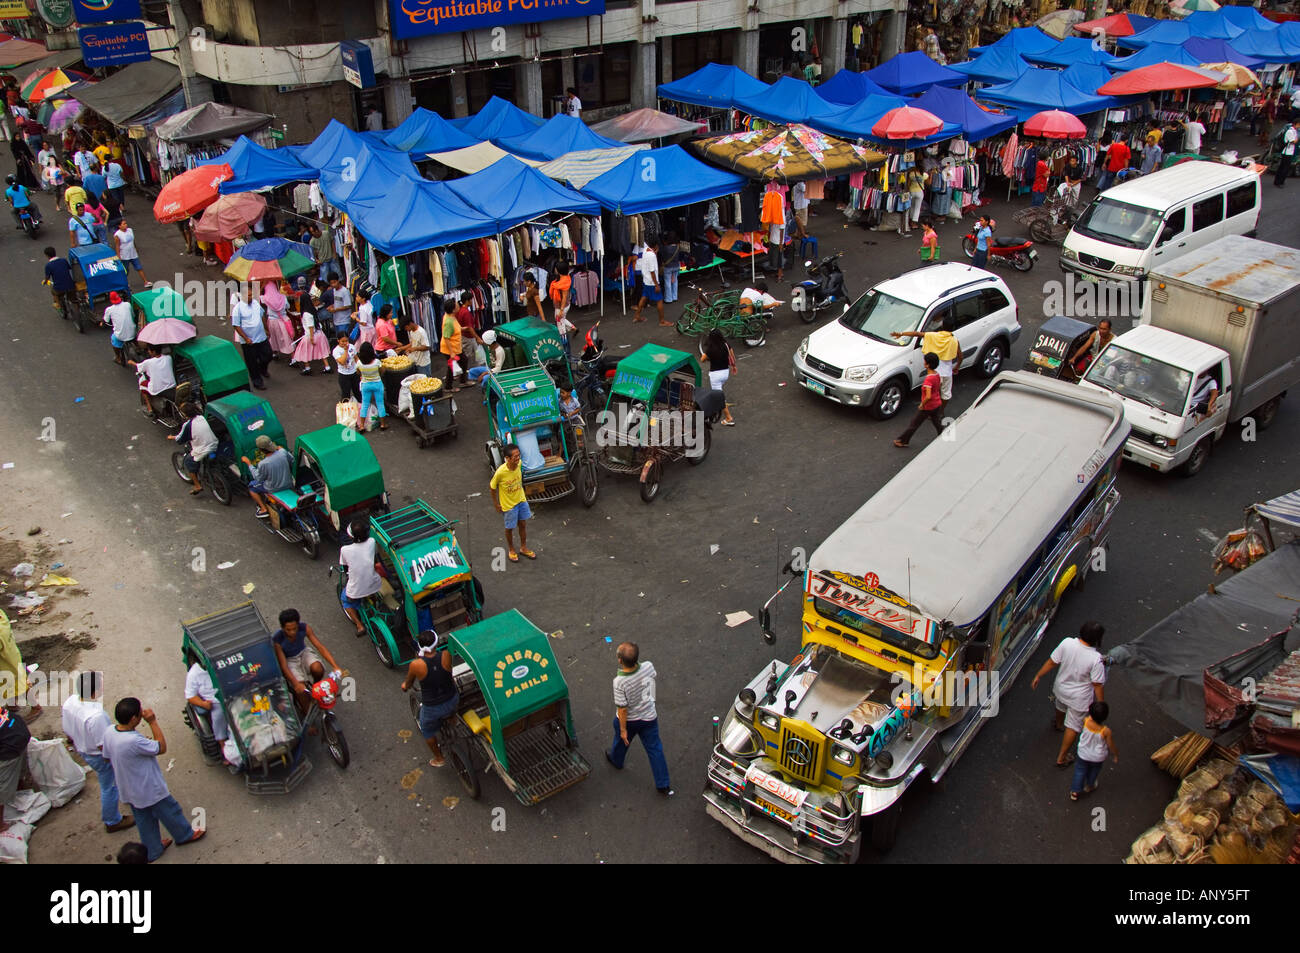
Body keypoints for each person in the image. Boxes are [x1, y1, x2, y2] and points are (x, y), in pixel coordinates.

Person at [99, 698, 206, 862]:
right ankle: (184, 835)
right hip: (148, 787)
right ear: (134, 719)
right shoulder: (133, 741)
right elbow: (161, 747)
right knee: (170, 811)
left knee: (144, 819)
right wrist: (153, 721)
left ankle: (153, 849)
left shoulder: (110, 732)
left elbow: (106, 758)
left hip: (128, 788)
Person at [61, 671, 134, 833]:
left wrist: (74, 740)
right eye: (100, 685)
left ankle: (125, 795)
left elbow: (67, 729)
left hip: (82, 748)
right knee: (109, 786)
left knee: (111, 781)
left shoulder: (70, 702)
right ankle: (112, 821)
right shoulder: (96, 716)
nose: (103, 686)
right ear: (94, 691)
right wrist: (114, 757)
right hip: (97, 756)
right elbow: (104, 745)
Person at [1032, 620, 1106, 768]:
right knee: (1073, 726)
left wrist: (1038, 675)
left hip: (1060, 689)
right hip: (1079, 699)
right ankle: (1062, 757)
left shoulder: (1067, 643)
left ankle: (1059, 724)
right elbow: (1097, 684)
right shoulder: (1096, 659)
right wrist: (1100, 703)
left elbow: (1053, 662)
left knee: (1060, 706)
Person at [605, 641, 672, 796]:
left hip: (629, 721)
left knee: (622, 741)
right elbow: (651, 679)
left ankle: (616, 759)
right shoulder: (648, 666)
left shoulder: (619, 682)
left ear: (620, 660)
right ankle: (663, 784)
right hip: (649, 717)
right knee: (655, 749)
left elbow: (622, 708)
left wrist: (623, 729)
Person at [401, 630, 458, 767]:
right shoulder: (446, 655)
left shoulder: (416, 665)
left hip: (433, 707)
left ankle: (439, 758)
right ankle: (452, 719)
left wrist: (404, 686)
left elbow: (408, 683)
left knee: (426, 730)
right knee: (451, 707)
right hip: (452, 698)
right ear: (436, 643)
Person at [273, 609, 341, 706]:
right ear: (282, 628)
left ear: (298, 624)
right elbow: (283, 665)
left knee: (318, 668)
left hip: (303, 652)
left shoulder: (305, 628)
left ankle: (315, 688)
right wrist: (296, 683)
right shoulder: (277, 640)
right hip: (289, 660)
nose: (292, 632)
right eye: (288, 630)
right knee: (302, 693)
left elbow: (320, 647)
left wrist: (335, 666)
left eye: (295, 629)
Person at [892, 312, 962, 404]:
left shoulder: (932, 335)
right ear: (952, 328)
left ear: (942, 325)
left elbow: (917, 333)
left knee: (931, 394)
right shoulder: (954, 341)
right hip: (947, 373)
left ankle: (931, 410)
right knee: (946, 394)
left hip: (934, 373)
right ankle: (941, 412)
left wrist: (901, 333)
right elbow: (960, 356)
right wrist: (956, 367)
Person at [490, 442, 535, 562]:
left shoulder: (519, 464)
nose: (518, 458)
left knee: (523, 525)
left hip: (521, 501)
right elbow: (492, 487)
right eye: (515, 456)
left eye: (518, 455)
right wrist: (496, 504)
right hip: (509, 506)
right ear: (507, 458)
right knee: (509, 528)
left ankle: (523, 548)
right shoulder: (500, 472)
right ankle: (511, 549)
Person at [340, 518, 384, 636]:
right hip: (375, 584)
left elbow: (345, 568)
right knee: (371, 586)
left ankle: (359, 626)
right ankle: (375, 604)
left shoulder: (345, 549)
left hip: (356, 590)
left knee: (345, 601)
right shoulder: (372, 542)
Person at [893, 352, 945, 448]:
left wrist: (922, 404)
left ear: (928, 364)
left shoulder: (928, 380)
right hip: (937, 403)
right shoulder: (937, 375)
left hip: (928, 407)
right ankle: (942, 433)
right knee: (936, 420)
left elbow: (928, 396)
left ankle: (903, 441)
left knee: (914, 424)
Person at [1070, 701, 1117, 801]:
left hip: (1083, 753)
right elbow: (1110, 744)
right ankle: (1090, 785)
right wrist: (1115, 754)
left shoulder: (1086, 721)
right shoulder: (1105, 731)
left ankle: (1075, 792)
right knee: (1094, 770)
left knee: (1080, 770)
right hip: (1097, 757)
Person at [168, 403, 218, 494]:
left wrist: (172, 437)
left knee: (188, 461)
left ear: (185, 414)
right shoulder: (201, 417)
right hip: (214, 443)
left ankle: (197, 486)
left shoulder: (188, 425)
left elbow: (180, 440)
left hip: (203, 449)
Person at [183, 659, 228, 759]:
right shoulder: (194, 674)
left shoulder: (222, 661)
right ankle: (224, 748)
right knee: (219, 718)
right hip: (216, 702)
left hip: (230, 694)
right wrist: (203, 704)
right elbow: (190, 696)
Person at [241, 434, 295, 517]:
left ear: (260, 450)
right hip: (289, 483)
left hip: (273, 489)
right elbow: (292, 460)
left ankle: (263, 509)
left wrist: (249, 464)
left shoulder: (263, 463)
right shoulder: (283, 452)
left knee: (252, 487)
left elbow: (258, 478)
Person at [232, 284, 271, 390]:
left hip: (261, 337)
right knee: (252, 362)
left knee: (268, 355)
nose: (251, 297)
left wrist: (266, 329)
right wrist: (246, 338)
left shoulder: (255, 304)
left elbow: (262, 316)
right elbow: (236, 325)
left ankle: (262, 369)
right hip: (249, 341)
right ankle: (257, 381)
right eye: (249, 295)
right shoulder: (238, 308)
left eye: (251, 295)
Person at [0, 707, 30, 835]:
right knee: (19, 764)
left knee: (3, 783)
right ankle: (20, 788)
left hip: (11, 743)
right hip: (19, 730)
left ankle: (0, 825)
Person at [699, 328, 737, 426]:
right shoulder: (725, 344)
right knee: (718, 392)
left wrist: (707, 356)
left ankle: (729, 417)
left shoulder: (710, 349)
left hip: (715, 375)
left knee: (719, 397)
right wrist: (734, 366)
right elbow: (732, 354)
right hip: (725, 373)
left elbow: (702, 359)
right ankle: (718, 406)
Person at [129, 344, 175, 418]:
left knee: (142, 384)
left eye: (149, 350)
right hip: (171, 385)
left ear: (153, 352)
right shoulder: (168, 358)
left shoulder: (149, 362)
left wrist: (131, 362)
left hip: (158, 389)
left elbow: (139, 367)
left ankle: (149, 408)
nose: (148, 351)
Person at [355, 341, 389, 432]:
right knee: (380, 404)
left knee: (365, 404)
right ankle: (383, 424)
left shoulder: (359, 363)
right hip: (377, 384)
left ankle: (361, 426)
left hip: (365, 385)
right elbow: (382, 371)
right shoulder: (377, 362)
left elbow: (358, 372)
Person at [633, 240, 669, 326]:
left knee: (644, 297)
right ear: (656, 246)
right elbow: (652, 272)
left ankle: (637, 315)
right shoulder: (652, 255)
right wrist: (656, 285)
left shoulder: (646, 250)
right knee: (659, 300)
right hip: (652, 282)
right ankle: (662, 321)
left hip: (646, 280)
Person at [292, 303, 331, 375]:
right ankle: (327, 367)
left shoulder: (306, 314)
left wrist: (312, 338)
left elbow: (310, 326)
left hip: (311, 335)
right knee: (322, 351)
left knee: (303, 351)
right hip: (319, 333)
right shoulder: (313, 309)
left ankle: (307, 368)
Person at [261, 279, 295, 359]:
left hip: (272, 321)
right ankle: (293, 357)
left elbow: (256, 297)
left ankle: (274, 353)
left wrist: (262, 286)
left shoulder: (265, 298)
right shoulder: (282, 297)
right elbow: (288, 306)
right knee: (286, 339)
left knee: (273, 338)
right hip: (283, 320)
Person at [112, 218, 150, 288]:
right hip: (124, 256)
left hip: (133, 254)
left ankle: (146, 282)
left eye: (126, 223)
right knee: (126, 271)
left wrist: (136, 248)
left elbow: (133, 241)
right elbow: (117, 246)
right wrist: (118, 256)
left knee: (139, 267)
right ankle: (125, 283)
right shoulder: (117, 235)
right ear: (119, 226)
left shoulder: (130, 230)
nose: (126, 225)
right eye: (124, 224)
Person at [102, 291, 136, 366]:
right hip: (133, 332)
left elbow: (106, 320)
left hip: (120, 336)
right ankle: (138, 348)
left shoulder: (109, 309)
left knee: (113, 339)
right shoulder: (127, 305)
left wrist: (102, 323)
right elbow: (133, 315)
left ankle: (118, 357)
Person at [43, 245, 76, 321]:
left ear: (47, 256)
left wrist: (45, 282)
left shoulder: (48, 265)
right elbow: (69, 268)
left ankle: (58, 304)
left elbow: (47, 277)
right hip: (70, 285)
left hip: (59, 288)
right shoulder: (63, 260)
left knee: (53, 290)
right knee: (73, 298)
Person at [438, 298, 463, 393]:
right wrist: (452, 352)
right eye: (456, 305)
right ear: (453, 310)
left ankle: (461, 379)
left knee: (462, 361)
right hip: (450, 349)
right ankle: (448, 387)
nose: (458, 305)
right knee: (452, 367)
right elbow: (446, 337)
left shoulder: (450, 316)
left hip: (455, 347)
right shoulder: (449, 322)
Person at [333, 333, 361, 401]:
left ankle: (360, 407)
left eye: (346, 341)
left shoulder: (351, 346)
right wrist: (345, 350)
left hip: (354, 373)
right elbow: (342, 362)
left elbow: (356, 358)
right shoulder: (336, 351)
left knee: (358, 392)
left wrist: (360, 369)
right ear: (338, 340)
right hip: (344, 375)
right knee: (346, 394)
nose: (345, 343)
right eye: (343, 341)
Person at [326, 273, 353, 341]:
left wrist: (336, 309)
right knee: (339, 340)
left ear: (338, 281)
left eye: (334, 282)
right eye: (331, 283)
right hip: (336, 320)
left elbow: (348, 305)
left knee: (344, 339)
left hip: (344, 320)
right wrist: (332, 306)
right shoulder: (334, 290)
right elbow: (337, 302)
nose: (333, 285)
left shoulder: (344, 291)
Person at [1275, 118, 1299, 188]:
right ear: (1296, 124)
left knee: (1284, 167)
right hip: (1286, 152)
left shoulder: (1294, 131)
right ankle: (1279, 182)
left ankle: (1279, 181)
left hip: (1290, 151)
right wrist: (1297, 139)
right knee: (1284, 167)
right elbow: (1293, 141)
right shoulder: (1290, 131)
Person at [659, 233, 682, 304]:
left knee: (667, 282)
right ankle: (675, 297)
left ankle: (668, 299)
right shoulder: (678, 247)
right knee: (675, 281)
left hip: (667, 267)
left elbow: (662, 257)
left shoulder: (665, 248)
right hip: (676, 266)